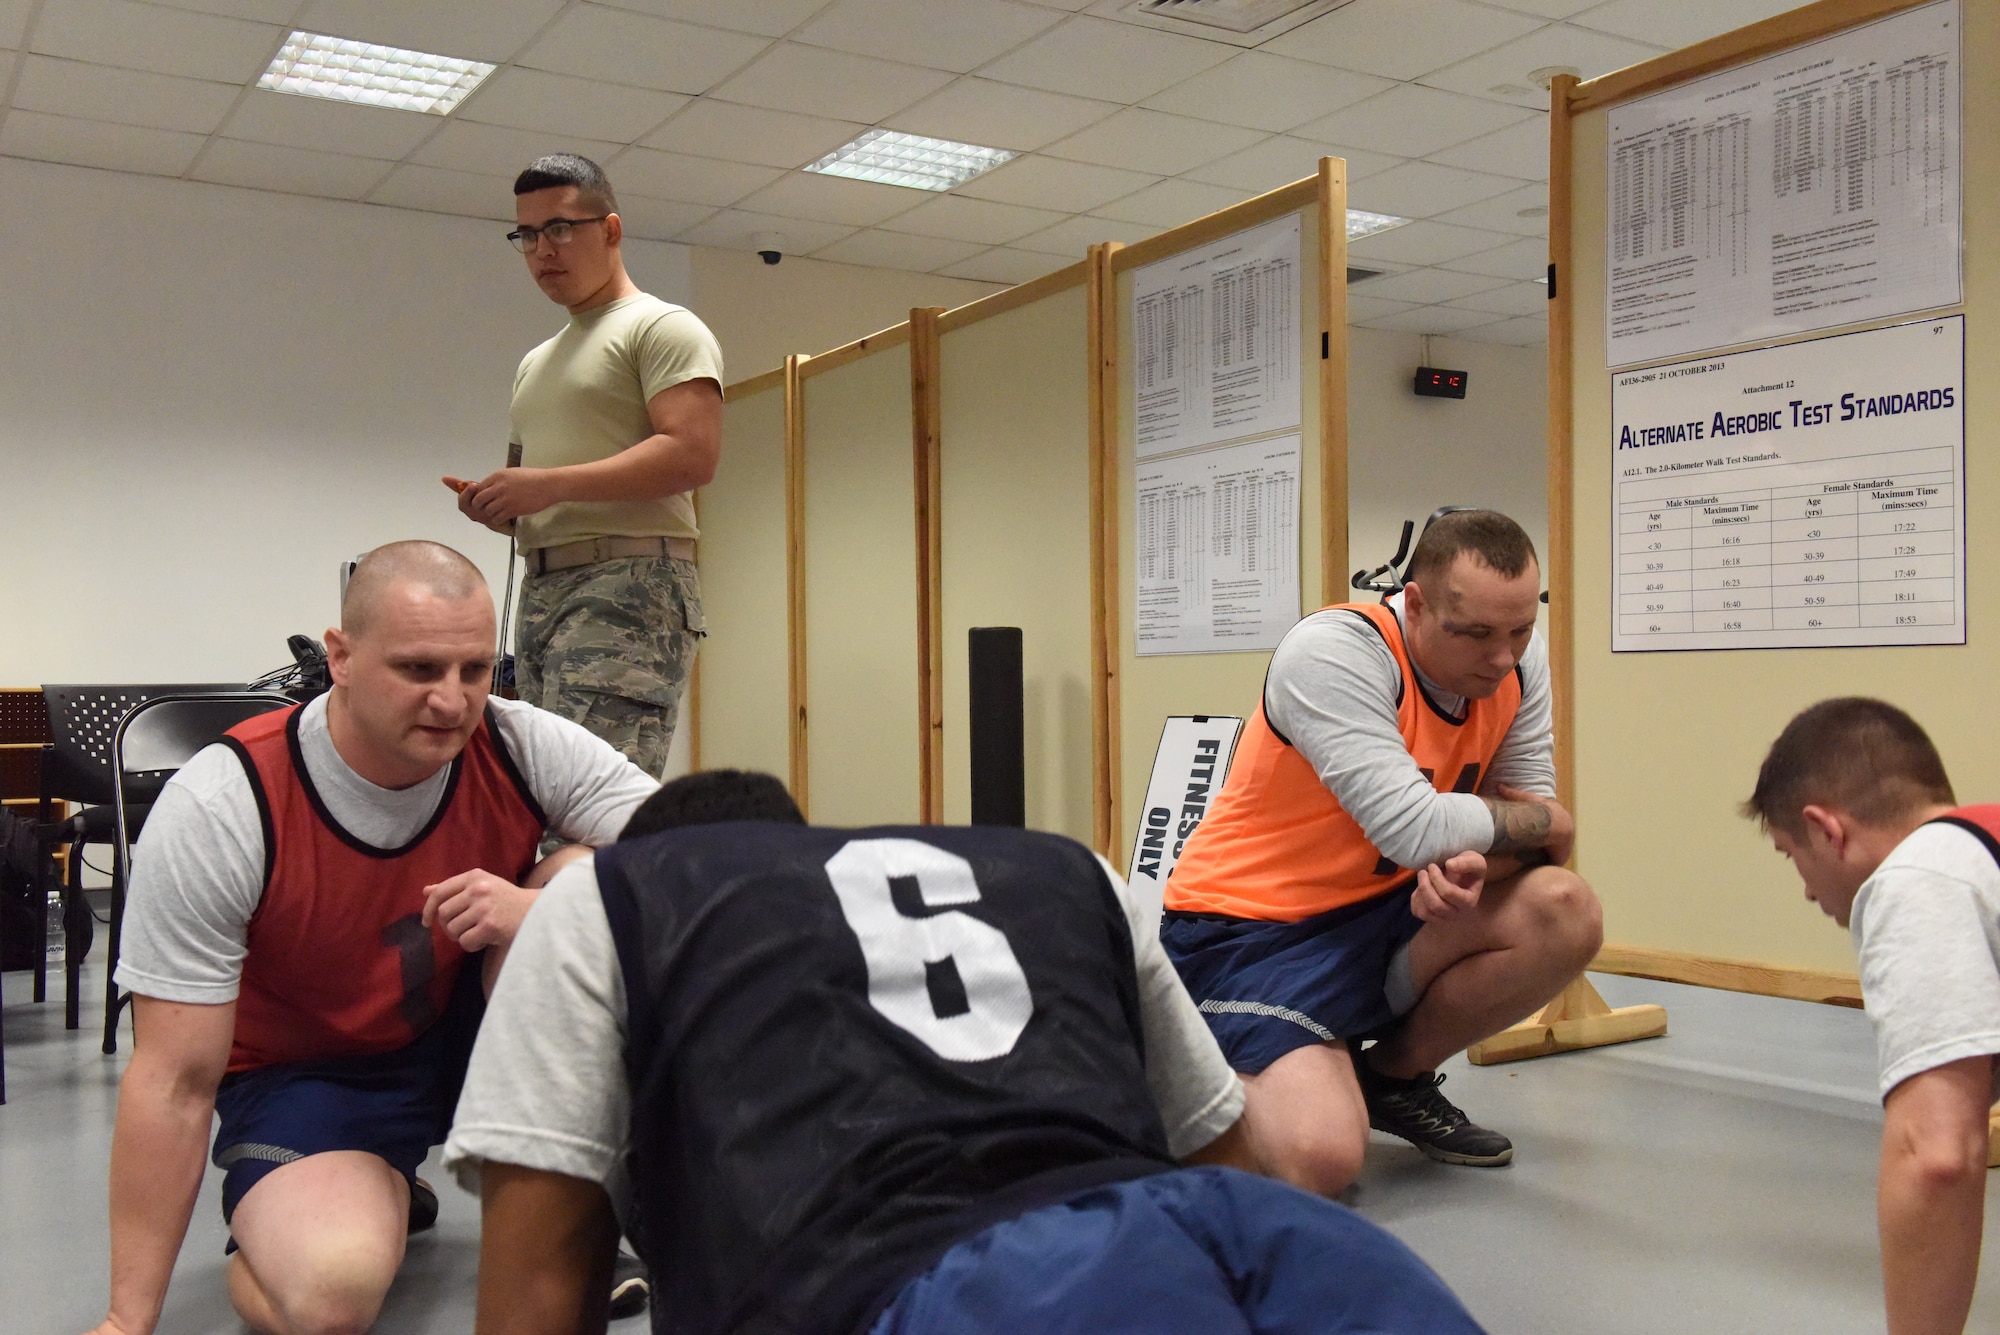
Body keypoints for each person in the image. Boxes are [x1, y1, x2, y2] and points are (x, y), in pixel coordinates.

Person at [442, 770, 1488, 1335]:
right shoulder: (1061, 867)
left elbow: (538, 1297)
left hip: (956, 1294)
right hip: (1259, 1232)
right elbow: (1227, 1166)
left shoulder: (603, 898)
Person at [84, 541, 657, 1335]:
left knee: (585, 876)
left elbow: (707, 853)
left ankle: (573, 1217)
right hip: (311, 1077)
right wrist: (125, 1320)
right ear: (342, 658)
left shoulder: (520, 742)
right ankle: (354, 1185)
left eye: (474, 669)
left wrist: (549, 912)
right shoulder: (227, 801)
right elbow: (175, 1081)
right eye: (419, 669)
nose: (453, 702)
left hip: (475, 1038)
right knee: (332, 1296)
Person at [1161, 509, 1602, 1196]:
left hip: (1392, 906)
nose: (1502, 656)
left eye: (1520, 630)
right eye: (1477, 633)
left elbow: (1533, 840)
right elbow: (1422, 827)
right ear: (1416, 604)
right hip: (1252, 927)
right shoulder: (1335, 651)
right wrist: (1518, 827)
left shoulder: (1518, 662)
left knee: (1565, 909)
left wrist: (1474, 861)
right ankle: (1148, 1083)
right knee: (1322, 1160)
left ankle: (1390, 1079)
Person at [447, 152, 724, 780]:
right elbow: (538, 489)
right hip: (545, 588)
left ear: (612, 230)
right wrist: (504, 507)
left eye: (561, 228)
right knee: (539, 793)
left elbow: (692, 452)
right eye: (528, 235)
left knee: (590, 801)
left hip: (627, 584)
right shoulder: (536, 361)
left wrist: (544, 487)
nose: (544, 249)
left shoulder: (661, 327)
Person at [1745, 697, 1999, 1335]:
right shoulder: (1984, 843)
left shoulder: (1920, 880)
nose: (1805, 888)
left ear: (1826, 830)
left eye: (1790, 855)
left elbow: (1936, 1155)